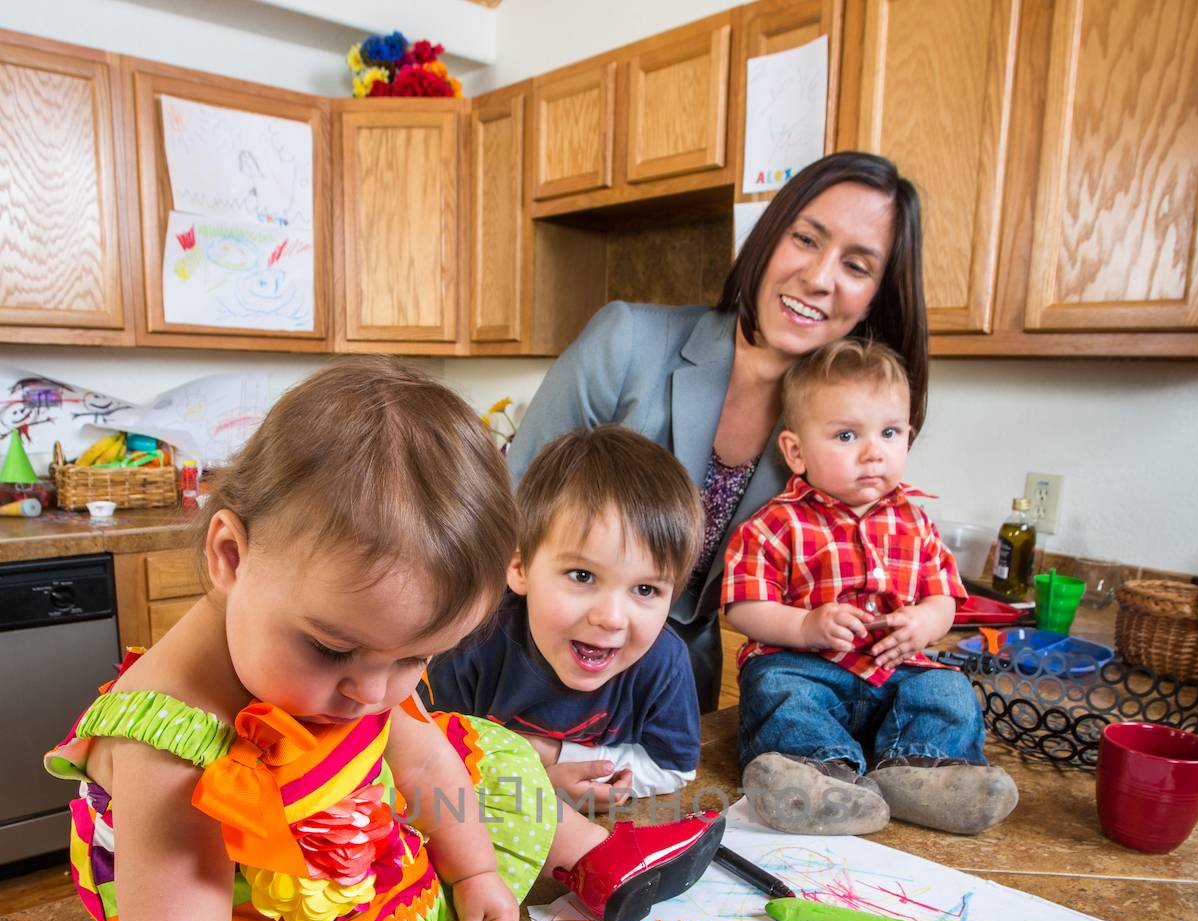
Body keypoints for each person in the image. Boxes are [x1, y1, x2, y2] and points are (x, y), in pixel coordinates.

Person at [44, 359, 773, 921]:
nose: (371, 693)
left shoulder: (356, 656)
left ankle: (593, 863)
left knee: (499, 762)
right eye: (336, 652)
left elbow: (421, 755)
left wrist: (469, 871)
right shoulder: (169, 746)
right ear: (229, 556)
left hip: (370, 862)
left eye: (416, 658)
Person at [507, 150, 929, 712]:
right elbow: (503, 518)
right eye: (806, 239)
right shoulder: (626, 341)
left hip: (677, 689)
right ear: (769, 237)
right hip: (529, 665)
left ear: (878, 295)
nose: (819, 277)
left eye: (856, 266)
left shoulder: (841, 435)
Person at [721, 339, 1018, 836]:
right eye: (845, 435)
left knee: (947, 687)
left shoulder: (916, 523)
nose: (873, 452)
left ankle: (923, 772)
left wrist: (924, 621)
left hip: (897, 672)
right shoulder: (777, 523)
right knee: (775, 687)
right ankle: (819, 775)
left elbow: (943, 596)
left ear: (908, 436)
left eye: (889, 432)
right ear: (795, 451)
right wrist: (806, 624)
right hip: (811, 669)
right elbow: (744, 606)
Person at [424, 425, 703, 807]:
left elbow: (675, 768)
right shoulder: (471, 644)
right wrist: (535, 780)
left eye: (645, 589)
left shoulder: (664, 663)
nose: (612, 618)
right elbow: (426, 754)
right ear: (520, 569)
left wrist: (555, 755)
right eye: (583, 576)